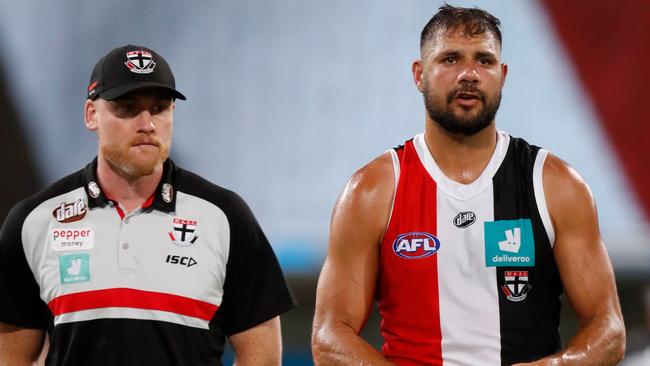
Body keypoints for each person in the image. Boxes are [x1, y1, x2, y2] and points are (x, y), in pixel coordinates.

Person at [312, 5, 625, 365]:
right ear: (419, 74)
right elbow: (329, 337)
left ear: (503, 74)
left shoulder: (556, 185)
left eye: (484, 61)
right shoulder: (371, 191)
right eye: (449, 59)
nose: (469, 74)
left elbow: (609, 329)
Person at [0, 44, 295, 366]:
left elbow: (262, 355)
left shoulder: (224, 216)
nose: (147, 123)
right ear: (91, 115)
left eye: (159, 107)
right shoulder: (35, 219)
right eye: (127, 108)